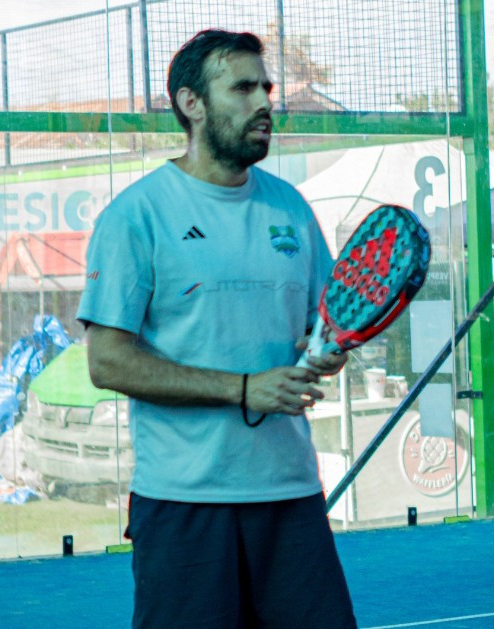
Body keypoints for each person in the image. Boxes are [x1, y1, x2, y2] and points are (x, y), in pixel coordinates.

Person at [77, 29, 357, 629]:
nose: (264, 103)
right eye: (243, 88)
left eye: (266, 89)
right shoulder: (136, 216)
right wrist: (244, 388)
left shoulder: (291, 209)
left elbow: (323, 327)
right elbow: (107, 362)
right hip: (184, 504)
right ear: (191, 103)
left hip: (291, 496)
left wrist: (329, 351)